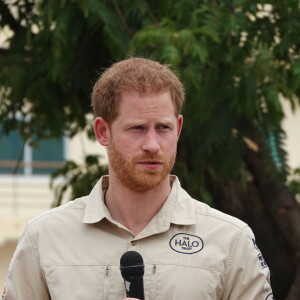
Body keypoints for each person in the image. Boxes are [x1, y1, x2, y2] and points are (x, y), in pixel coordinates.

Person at [2, 58, 273, 300]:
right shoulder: (45, 238)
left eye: (163, 128)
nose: (153, 144)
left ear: (178, 129)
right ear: (102, 131)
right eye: (138, 128)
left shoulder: (231, 241)